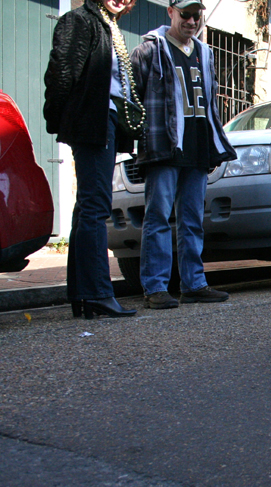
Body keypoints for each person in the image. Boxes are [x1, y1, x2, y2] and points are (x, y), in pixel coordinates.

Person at [131, 0, 236, 309]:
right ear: (171, 13)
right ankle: (155, 287)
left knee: (192, 219)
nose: (191, 21)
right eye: (185, 15)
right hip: (163, 147)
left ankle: (194, 283)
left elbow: (212, 102)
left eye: (196, 15)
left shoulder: (206, 53)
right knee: (158, 216)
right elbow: (133, 96)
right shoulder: (150, 49)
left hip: (197, 147)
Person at [44, 0, 139, 319]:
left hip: (105, 122)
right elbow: (61, 70)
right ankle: (97, 293)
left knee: (88, 206)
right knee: (96, 206)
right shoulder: (80, 21)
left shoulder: (110, 27)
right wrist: (60, 118)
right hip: (91, 122)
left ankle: (83, 295)